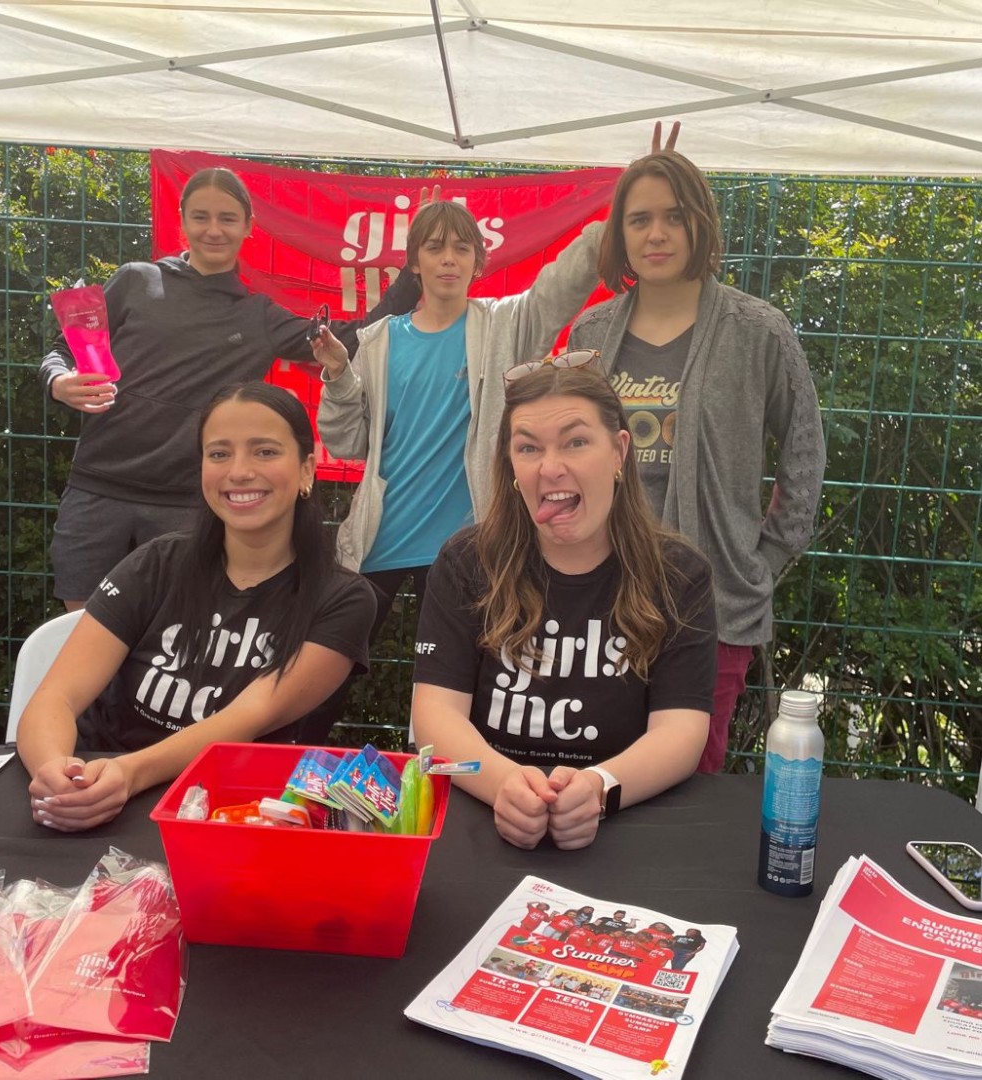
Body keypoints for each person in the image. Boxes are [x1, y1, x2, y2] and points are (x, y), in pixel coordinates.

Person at [314, 125, 680, 639]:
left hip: (472, 548)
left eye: (462, 248)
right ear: (414, 261)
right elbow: (347, 443)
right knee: (325, 663)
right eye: (435, 248)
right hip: (378, 544)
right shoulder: (377, 342)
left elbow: (564, 282)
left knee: (461, 677)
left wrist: (629, 202)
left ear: (478, 260)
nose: (448, 259)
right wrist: (338, 376)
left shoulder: (505, 326)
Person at [40, 166, 422, 610]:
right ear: (182, 221)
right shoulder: (134, 280)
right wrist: (58, 382)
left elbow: (356, 337)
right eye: (201, 216)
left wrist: (415, 265)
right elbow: (62, 350)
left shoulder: (258, 316)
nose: (213, 230)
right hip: (96, 492)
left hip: (186, 507)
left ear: (247, 226)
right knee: (82, 632)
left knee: (171, 635)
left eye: (227, 218)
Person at [17, 382, 376, 832]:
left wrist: (129, 774)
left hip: (236, 816)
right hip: (99, 790)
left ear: (307, 469)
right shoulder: (155, 563)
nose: (239, 472)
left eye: (265, 452)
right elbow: (56, 695)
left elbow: (245, 718)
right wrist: (55, 772)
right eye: (219, 453)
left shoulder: (342, 599)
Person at [567, 149, 825, 773]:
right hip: (601, 596)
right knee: (596, 768)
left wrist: (765, 558)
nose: (656, 233)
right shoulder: (590, 335)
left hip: (713, 600)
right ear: (619, 233)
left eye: (674, 216)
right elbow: (566, 450)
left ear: (700, 224)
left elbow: (804, 448)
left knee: (688, 778)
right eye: (639, 219)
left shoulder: (757, 330)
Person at [410, 359, 717, 851]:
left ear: (619, 452)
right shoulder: (465, 563)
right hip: (481, 821)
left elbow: (682, 733)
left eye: (575, 442)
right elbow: (433, 722)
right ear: (511, 466)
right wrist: (502, 785)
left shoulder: (680, 575)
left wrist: (599, 788)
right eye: (528, 447)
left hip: (626, 829)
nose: (550, 468)